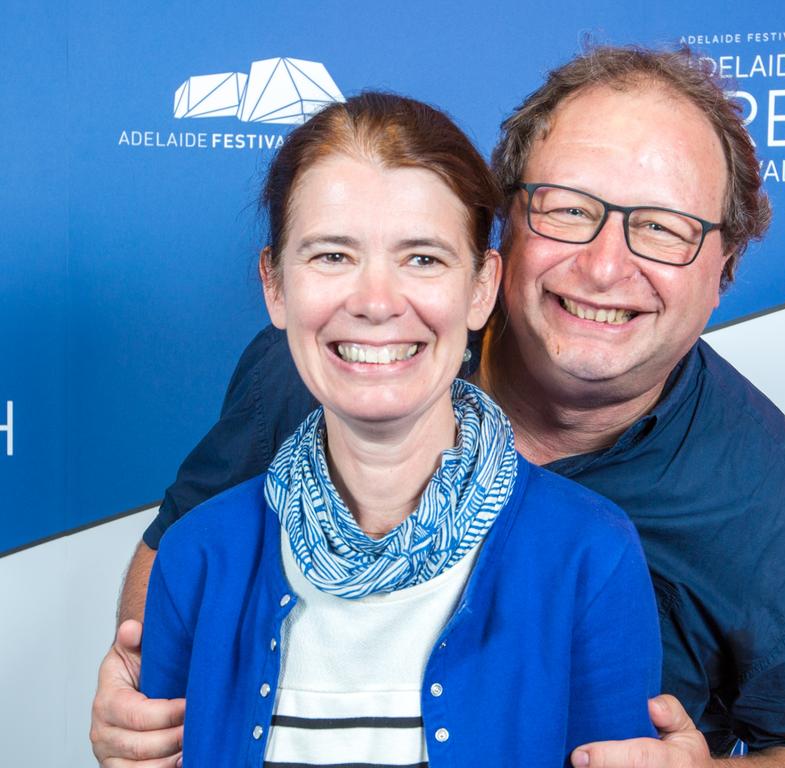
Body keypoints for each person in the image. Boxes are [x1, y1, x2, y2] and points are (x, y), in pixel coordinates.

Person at [91, 46, 785, 768]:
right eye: (570, 209)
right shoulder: (328, 361)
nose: (603, 267)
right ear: (505, 227)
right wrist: (143, 702)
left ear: (723, 269)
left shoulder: (773, 509)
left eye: (661, 228)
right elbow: (183, 551)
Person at [136, 92, 662, 767]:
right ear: (275, 286)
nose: (376, 302)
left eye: (423, 259)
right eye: (332, 256)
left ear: (480, 289)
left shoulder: (590, 554)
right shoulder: (197, 559)